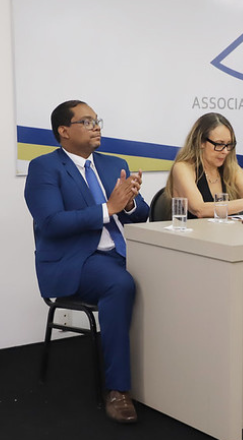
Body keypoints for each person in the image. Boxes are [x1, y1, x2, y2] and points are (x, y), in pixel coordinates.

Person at [24, 100, 150, 423]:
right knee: (119, 284)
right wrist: (108, 208)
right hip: (77, 260)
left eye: (97, 120)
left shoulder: (113, 164)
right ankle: (118, 390)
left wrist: (130, 203)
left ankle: (173, 372)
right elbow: (51, 222)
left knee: (179, 272)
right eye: (87, 121)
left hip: (123, 252)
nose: (96, 127)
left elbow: (142, 213)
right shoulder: (44, 168)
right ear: (64, 131)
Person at [166, 113, 243, 218]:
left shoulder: (231, 168)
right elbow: (199, 209)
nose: (225, 151)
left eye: (229, 145)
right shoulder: (183, 167)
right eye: (219, 144)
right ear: (201, 142)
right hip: (192, 233)